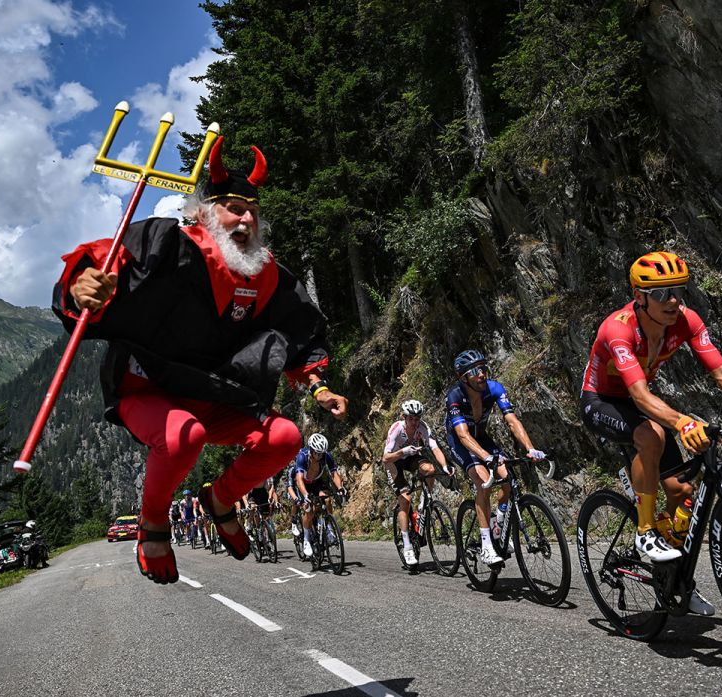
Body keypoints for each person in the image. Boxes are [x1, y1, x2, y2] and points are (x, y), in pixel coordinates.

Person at [53, 137, 348, 584]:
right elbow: (100, 263)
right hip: (148, 388)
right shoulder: (165, 244)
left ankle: (221, 500)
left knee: (285, 437)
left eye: (252, 210)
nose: (246, 217)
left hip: (213, 395)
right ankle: (153, 523)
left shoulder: (265, 275)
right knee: (182, 436)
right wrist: (81, 289)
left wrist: (317, 385)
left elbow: (298, 330)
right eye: (233, 207)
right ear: (203, 212)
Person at [580, 250, 722, 615]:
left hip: (641, 402)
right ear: (639, 297)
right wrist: (681, 421)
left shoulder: (686, 321)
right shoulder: (618, 329)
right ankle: (645, 532)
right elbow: (637, 394)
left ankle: (675, 581)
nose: (672, 301)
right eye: (660, 293)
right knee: (651, 435)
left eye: (678, 291)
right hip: (602, 400)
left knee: (684, 492)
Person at [444, 349, 546, 568]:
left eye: (483, 368)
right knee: (484, 482)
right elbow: (462, 435)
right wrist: (487, 458)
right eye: (474, 371)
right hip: (461, 443)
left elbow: (512, 420)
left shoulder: (494, 388)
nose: (481, 374)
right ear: (464, 378)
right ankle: (486, 545)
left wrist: (530, 448)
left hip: (482, 438)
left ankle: (498, 523)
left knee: (508, 479)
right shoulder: (455, 396)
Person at [382, 399, 454, 566]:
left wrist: (444, 466)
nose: (415, 422)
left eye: (417, 418)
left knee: (429, 470)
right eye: (411, 419)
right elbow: (385, 458)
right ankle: (407, 545)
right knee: (405, 499)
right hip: (394, 460)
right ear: (404, 417)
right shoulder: (396, 429)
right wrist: (402, 451)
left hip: (411, 456)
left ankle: (423, 505)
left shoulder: (423, 427)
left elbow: (435, 448)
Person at [292, 433, 346, 559]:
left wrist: (340, 488)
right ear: (311, 449)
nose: (319, 456)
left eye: (321, 453)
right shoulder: (302, 456)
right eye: (317, 453)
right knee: (309, 510)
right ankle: (306, 539)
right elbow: (299, 479)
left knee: (327, 499)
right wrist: (305, 495)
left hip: (316, 481)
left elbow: (334, 474)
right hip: (303, 484)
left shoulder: (326, 456)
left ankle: (329, 528)